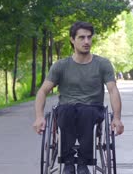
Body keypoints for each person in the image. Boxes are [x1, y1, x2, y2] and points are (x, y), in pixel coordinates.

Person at [33, 21, 124, 174]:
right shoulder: (61, 66)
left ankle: (83, 163)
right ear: (72, 40)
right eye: (81, 37)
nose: (86, 41)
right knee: (66, 111)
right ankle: (68, 162)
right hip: (67, 108)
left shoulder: (102, 64)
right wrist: (39, 116)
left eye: (89, 37)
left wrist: (117, 118)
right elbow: (42, 91)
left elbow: (113, 90)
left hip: (92, 108)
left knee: (86, 112)